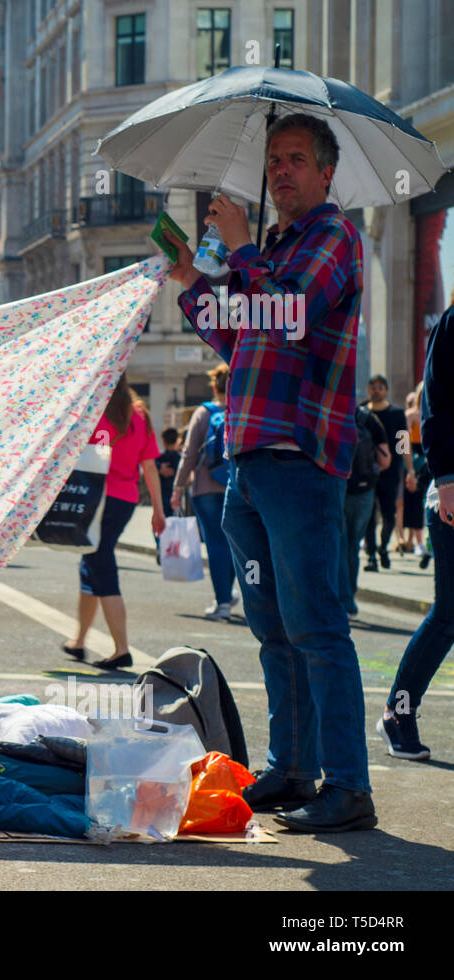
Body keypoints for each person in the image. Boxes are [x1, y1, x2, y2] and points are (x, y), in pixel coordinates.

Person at [164, 112, 376, 832]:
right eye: (273, 161)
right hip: (247, 462)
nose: (280, 171)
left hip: (299, 456)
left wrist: (246, 248)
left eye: (295, 159)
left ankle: (348, 785)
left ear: (324, 174)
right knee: (273, 628)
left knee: (316, 625)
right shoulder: (281, 245)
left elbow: (290, 311)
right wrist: (195, 278)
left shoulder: (333, 237)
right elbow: (240, 332)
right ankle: (292, 769)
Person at [378, 300, 454, 759]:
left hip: (419, 470)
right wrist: (429, 473)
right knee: (449, 613)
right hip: (437, 479)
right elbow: (429, 412)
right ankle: (397, 713)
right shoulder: (396, 414)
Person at [62, 375, 166, 670]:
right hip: (126, 499)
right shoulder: (139, 415)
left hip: (96, 498)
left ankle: (122, 649)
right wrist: (158, 511)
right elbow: (149, 465)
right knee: (91, 560)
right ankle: (79, 640)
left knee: (100, 562)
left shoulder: (93, 410)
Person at [172, 365, 241, 620]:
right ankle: (229, 593)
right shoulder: (239, 409)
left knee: (215, 544)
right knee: (235, 544)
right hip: (236, 486)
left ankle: (222, 601)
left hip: (205, 488)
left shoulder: (204, 412)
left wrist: (178, 487)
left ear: (214, 386)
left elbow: (189, 454)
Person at [340, 402, 391, 616]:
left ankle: (340, 598)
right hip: (368, 487)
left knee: (340, 545)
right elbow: (387, 459)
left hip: (340, 486)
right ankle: (349, 598)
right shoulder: (373, 419)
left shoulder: (339, 413)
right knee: (352, 546)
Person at [361, 375, 414, 571]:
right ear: (368, 389)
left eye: (380, 387)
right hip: (365, 473)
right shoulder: (361, 413)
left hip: (390, 473)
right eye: (373, 386)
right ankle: (371, 556)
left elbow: (403, 445)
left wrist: (410, 470)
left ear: (386, 390)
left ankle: (383, 548)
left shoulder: (397, 414)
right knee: (367, 516)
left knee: (389, 515)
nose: (376, 390)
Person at [399, 387, 430, 565]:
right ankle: (418, 541)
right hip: (415, 460)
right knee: (415, 501)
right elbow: (402, 441)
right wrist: (408, 466)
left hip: (431, 457)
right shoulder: (410, 414)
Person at [156, 427, 181, 517]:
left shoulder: (159, 458)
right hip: (176, 493)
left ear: (163, 441)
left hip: (161, 494)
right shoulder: (179, 458)